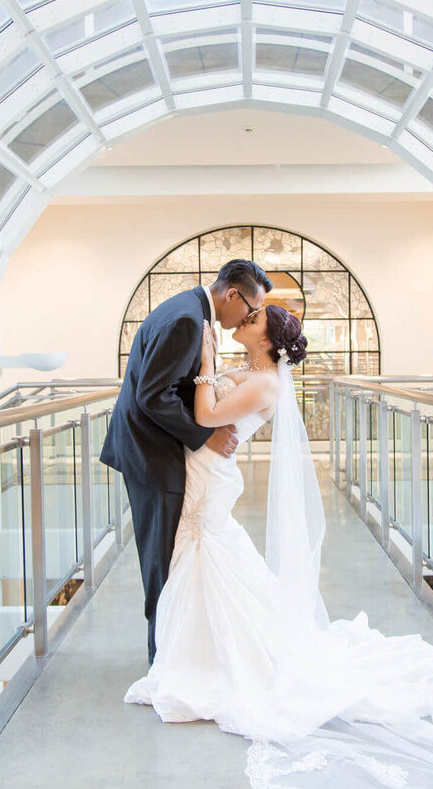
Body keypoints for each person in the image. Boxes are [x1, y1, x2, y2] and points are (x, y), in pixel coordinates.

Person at [124, 305, 433, 788]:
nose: (245, 320)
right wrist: (210, 367)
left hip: (210, 476)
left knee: (208, 551)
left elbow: (206, 413)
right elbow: (210, 405)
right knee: (206, 555)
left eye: (254, 318)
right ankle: (200, 653)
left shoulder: (265, 383)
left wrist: (208, 369)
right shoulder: (254, 371)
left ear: (267, 338)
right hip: (205, 469)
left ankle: (209, 660)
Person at [101, 259, 273, 664]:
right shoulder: (186, 321)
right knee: (162, 560)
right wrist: (207, 432)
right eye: (249, 310)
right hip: (151, 452)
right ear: (232, 294)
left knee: (168, 554)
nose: (247, 318)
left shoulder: (188, 311)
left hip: (154, 448)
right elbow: (153, 395)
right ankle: (164, 660)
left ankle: (171, 651)